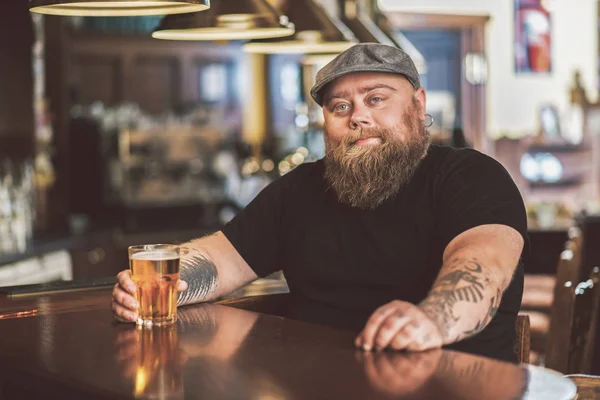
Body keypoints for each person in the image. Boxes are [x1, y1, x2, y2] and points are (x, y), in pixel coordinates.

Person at [112, 43, 527, 363]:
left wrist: (433, 319)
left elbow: (484, 264)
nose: (357, 116)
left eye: (376, 98)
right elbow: (221, 259)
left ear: (418, 105)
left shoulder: (469, 175)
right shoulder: (301, 189)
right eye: (340, 106)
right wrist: (152, 283)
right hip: (322, 382)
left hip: (455, 383)